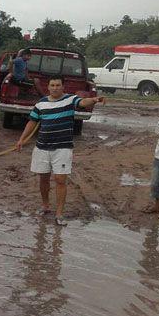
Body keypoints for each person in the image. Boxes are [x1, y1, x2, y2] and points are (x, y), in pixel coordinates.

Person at [15, 78, 105, 226]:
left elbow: (82, 102)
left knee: (60, 180)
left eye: (58, 85)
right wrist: (21, 139)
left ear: (63, 87)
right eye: (52, 85)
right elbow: (32, 121)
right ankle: (45, 206)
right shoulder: (41, 103)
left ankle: (59, 214)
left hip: (62, 148)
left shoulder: (70, 99)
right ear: (48, 87)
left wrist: (94, 99)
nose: (55, 88)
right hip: (42, 147)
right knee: (43, 179)